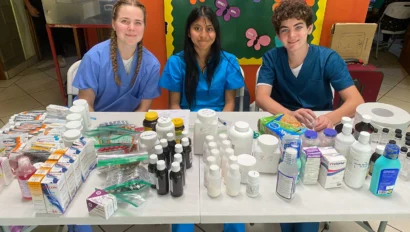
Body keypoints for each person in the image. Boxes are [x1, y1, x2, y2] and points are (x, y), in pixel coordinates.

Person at [256, 0, 364, 134]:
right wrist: (289, 114)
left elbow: (356, 101)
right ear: (278, 35)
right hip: (283, 120)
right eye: (285, 30)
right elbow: (261, 97)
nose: (292, 35)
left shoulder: (328, 59)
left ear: (309, 28)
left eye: (298, 27)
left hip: (319, 122)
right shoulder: (271, 58)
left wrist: (329, 118)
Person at [73, 0, 161, 112]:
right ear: (114, 24)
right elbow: (86, 106)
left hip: (130, 125)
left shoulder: (152, 65)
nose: (131, 28)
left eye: (138, 22)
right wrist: (99, 129)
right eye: (124, 21)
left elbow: (142, 110)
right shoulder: (94, 58)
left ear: (144, 26)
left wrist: (128, 128)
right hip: (94, 122)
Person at [159, 6, 245, 112]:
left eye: (209, 29)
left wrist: (218, 127)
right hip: (187, 120)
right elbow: (174, 105)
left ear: (216, 33)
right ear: (189, 32)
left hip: (218, 120)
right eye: (197, 28)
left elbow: (229, 104)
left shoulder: (229, 61)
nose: (203, 35)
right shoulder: (175, 63)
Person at [23, 0, 71, 67]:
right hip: (38, 4)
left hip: (54, 3)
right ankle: (59, 54)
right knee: (48, 29)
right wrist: (29, 6)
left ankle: (62, 52)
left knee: (59, 25)